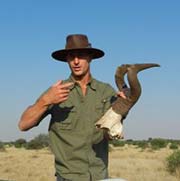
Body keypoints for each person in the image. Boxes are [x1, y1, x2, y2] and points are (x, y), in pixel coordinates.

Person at [18, 34, 124, 181]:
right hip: (68, 177)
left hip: (99, 175)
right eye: (71, 56)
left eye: (80, 56)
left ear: (90, 57)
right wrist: (45, 100)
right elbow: (23, 125)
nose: (75, 61)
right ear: (66, 60)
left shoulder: (105, 91)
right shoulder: (56, 91)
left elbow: (109, 136)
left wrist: (122, 108)